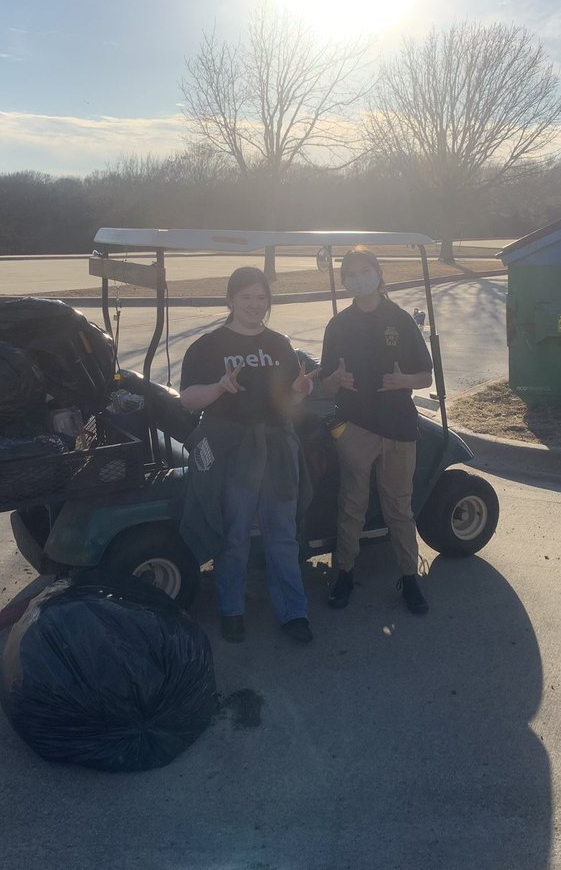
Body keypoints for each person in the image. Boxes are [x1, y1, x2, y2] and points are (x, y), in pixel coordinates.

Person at [179, 266, 317, 644]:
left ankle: (294, 612)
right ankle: (231, 609)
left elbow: (286, 404)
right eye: (246, 297)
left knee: (282, 533)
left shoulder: (279, 345)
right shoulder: (208, 345)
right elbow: (188, 399)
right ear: (230, 299)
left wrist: (300, 393)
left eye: (261, 298)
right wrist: (219, 388)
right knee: (234, 533)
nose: (255, 305)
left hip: (275, 448)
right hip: (232, 451)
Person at [320, 247, 434, 615]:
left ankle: (409, 577)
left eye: (364, 270)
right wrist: (335, 379)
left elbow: (425, 374)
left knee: (399, 507)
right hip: (354, 427)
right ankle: (345, 573)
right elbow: (325, 385)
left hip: (399, 426)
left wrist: (405, 380)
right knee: (352, 504)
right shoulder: (338, 325)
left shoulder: (400, 320)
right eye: (350, 274)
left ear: (378, 274)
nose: (357, 278)